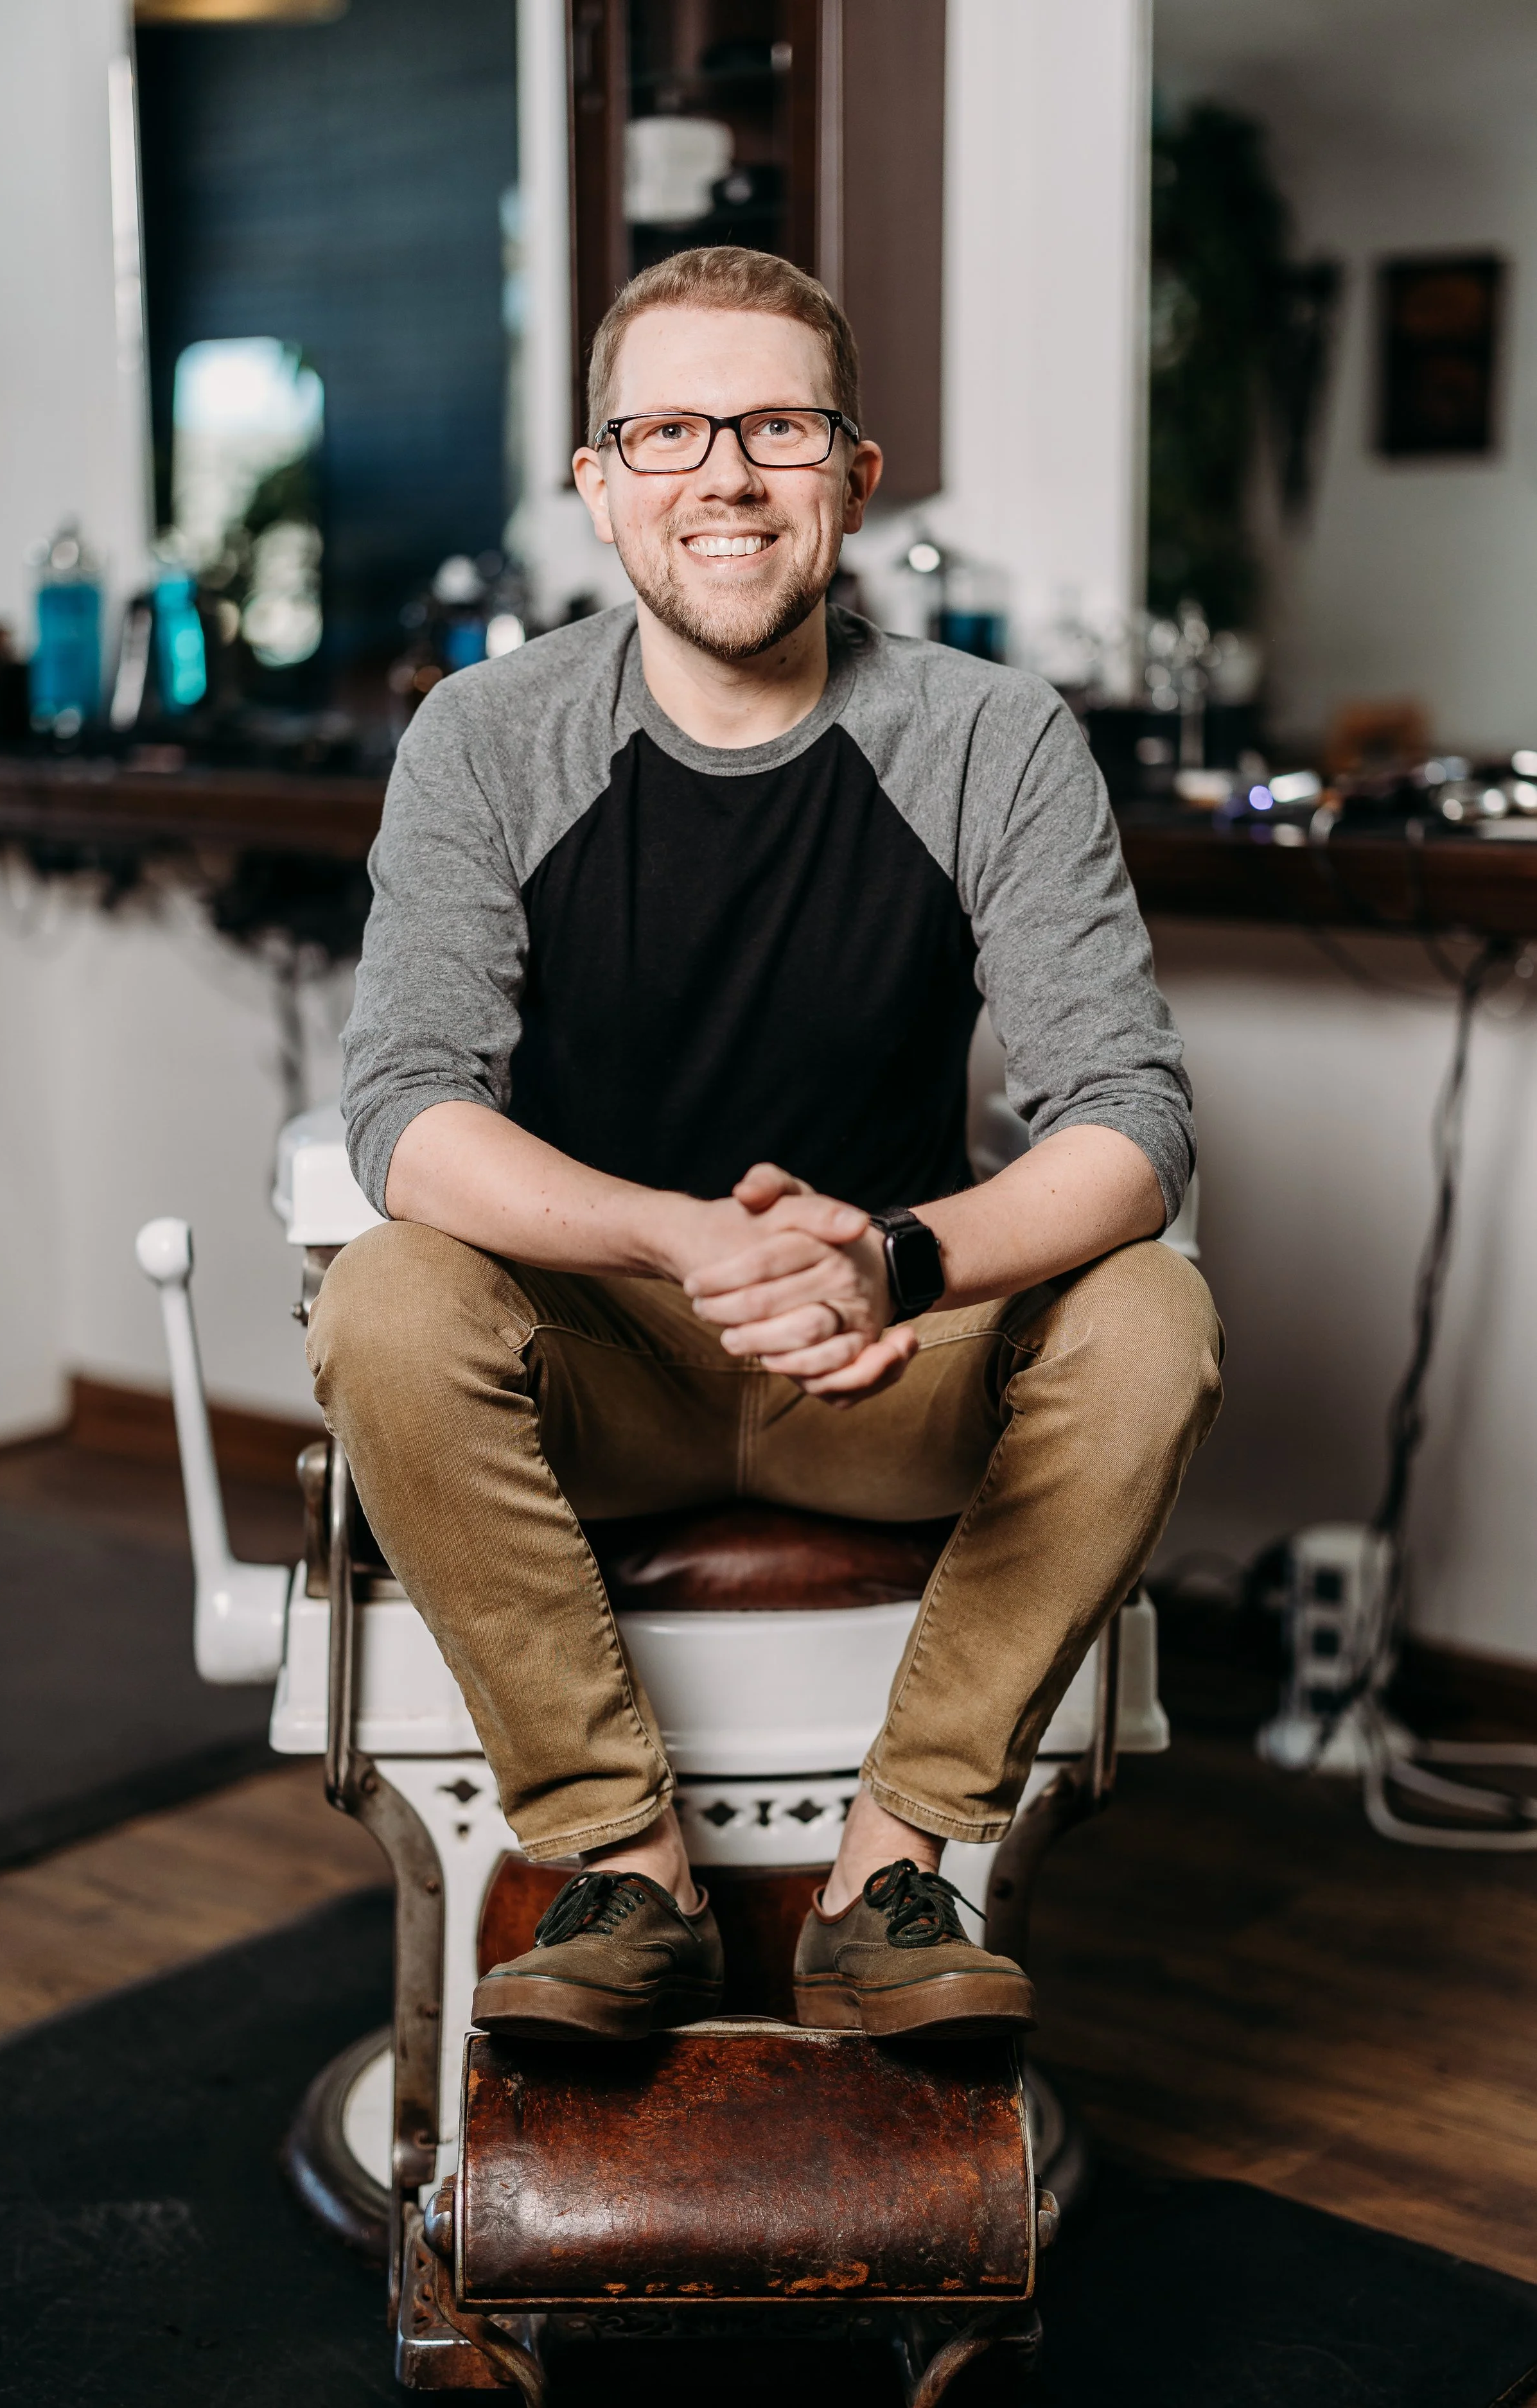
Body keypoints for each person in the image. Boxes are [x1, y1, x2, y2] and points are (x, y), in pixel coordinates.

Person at [311, 245, 1222, 2045]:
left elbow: (1130, 1116)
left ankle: (889, 1869)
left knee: (1146, 1320)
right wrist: (680, 1239)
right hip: (606, 1364)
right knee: (386, 1296)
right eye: (665, 428)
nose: (721, 475)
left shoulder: (989, 737)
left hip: (884, 1365)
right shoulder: (487, 740)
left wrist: (891, 1257)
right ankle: (618, 1867)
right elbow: (406, 1112)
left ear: (854, 475)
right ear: (598, 481)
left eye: (777, 426)